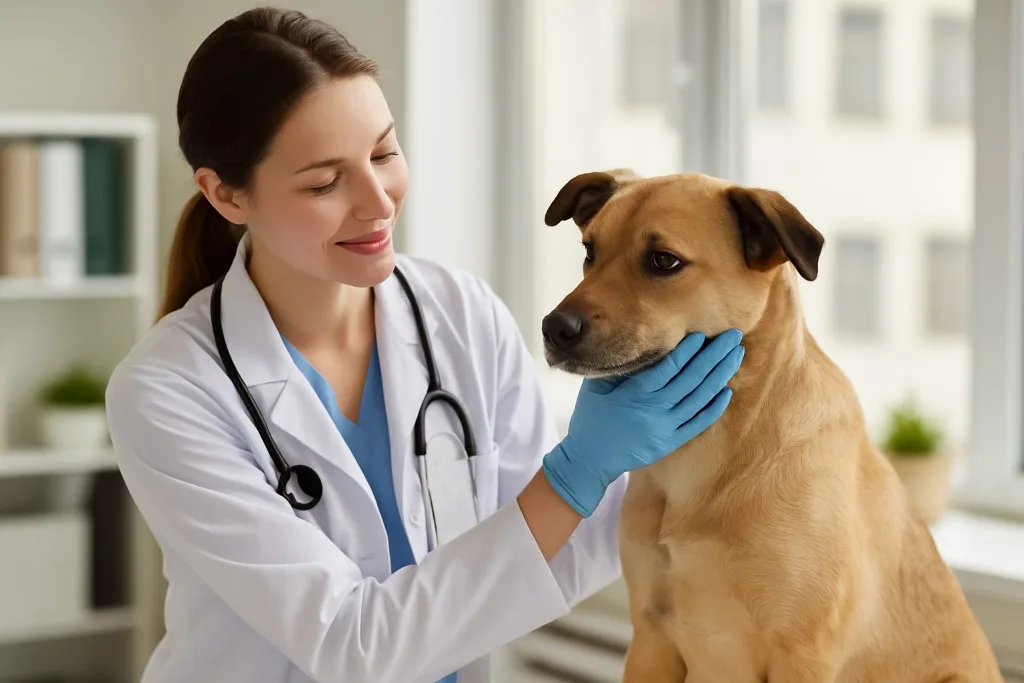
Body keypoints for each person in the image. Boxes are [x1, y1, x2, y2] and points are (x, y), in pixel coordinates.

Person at [104, 7, 745, 683]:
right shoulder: (168, 390)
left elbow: (540, 553)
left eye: (383, 152)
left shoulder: (460, 315)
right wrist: (575, 473)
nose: (378, 202)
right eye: (325, 182)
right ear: (226, 194)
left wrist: (652, 457)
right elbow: (353, 646)